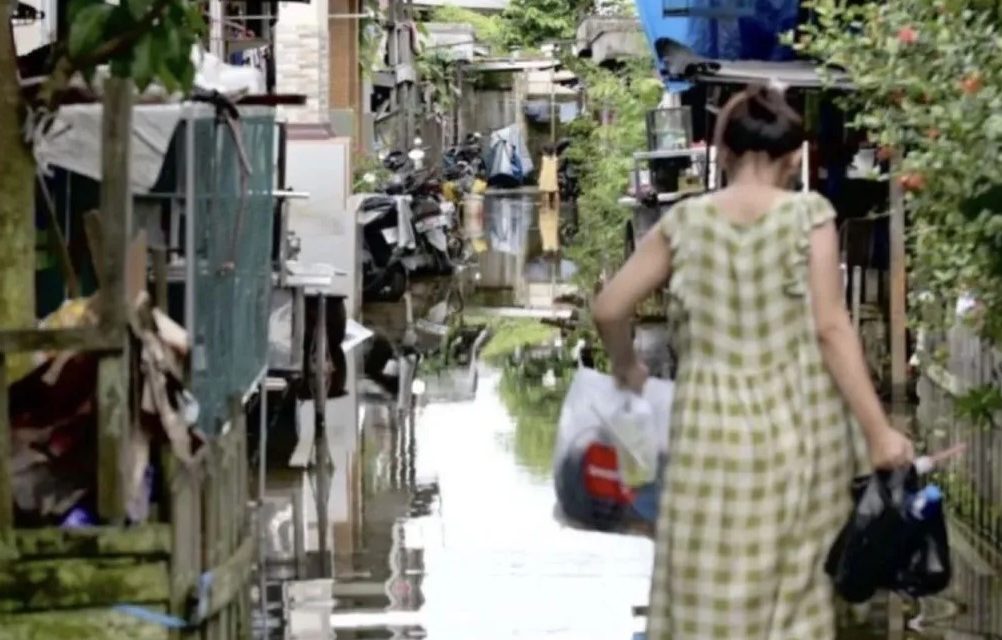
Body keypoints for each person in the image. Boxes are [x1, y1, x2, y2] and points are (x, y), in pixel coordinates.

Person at [591, 85, 914, 640]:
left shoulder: (684, 222)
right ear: (792, 158)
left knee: (703, 592)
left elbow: (609, 309)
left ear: (724, 153)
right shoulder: (809, 215)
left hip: (705, 436)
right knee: (792, 600)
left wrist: (627, 369)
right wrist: (879, 431)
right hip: (798, 433)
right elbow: (832, 329)